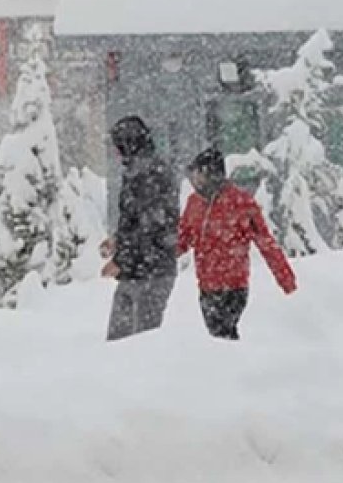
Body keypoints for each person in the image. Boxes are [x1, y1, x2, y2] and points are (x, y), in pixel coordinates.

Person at [178, 148, 297, 340]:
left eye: (199, 174)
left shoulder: (241, 203)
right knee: (216, 337)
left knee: (223, 334)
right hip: (207, 288)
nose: (195, 180)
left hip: (234, 287)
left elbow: (266, 244)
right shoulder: (194, 203)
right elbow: (182, 239)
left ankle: (234, 365)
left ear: (212, 174)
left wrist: (286, 280)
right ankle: (234, 364)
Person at [100, 116, 181, 341]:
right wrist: (117, 239)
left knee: (140, 344)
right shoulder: (138, 170)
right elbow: (135, 220)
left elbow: (149, 228)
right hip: (138, 270)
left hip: (152, 272)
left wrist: (120, 261)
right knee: (121, 340)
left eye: (118, 146)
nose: (116, 153)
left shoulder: (150, 174)